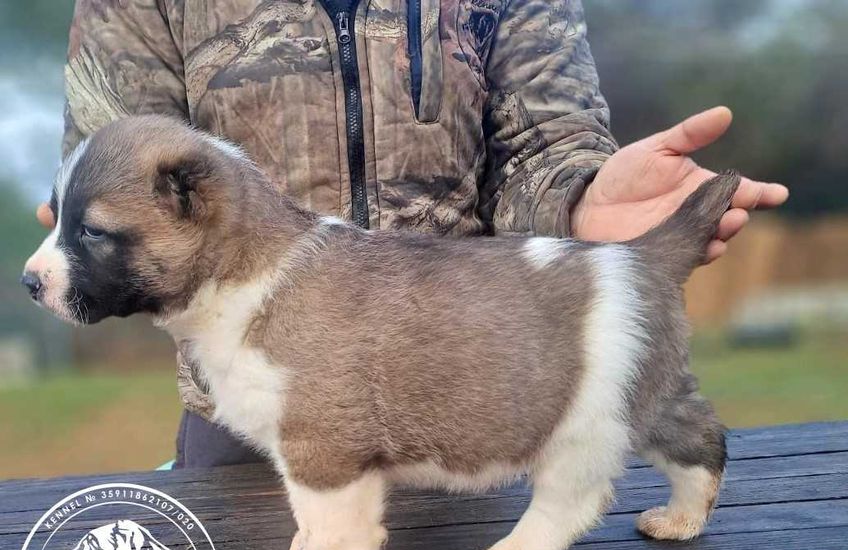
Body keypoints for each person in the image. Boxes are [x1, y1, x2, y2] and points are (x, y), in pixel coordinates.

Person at [38, 0, 787, 469]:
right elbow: (114, 163)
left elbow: (545, 142)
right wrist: (92, 237)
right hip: (246, 412)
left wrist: (580, 198)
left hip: (471, 384)